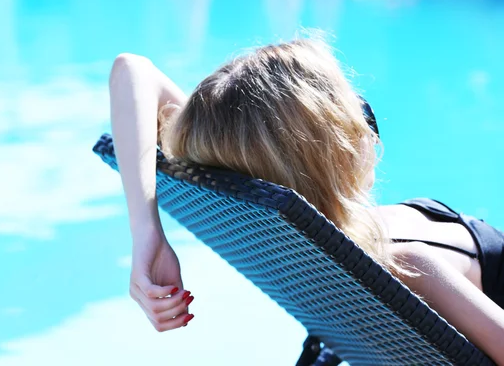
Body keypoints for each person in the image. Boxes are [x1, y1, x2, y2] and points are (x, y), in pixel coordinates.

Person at [109, 36, 504, 363]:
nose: (370, 133)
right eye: (360, 116)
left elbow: (132, 71)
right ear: (335, 152)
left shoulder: (280, 229)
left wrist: (147, 235)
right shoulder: (414, 267)